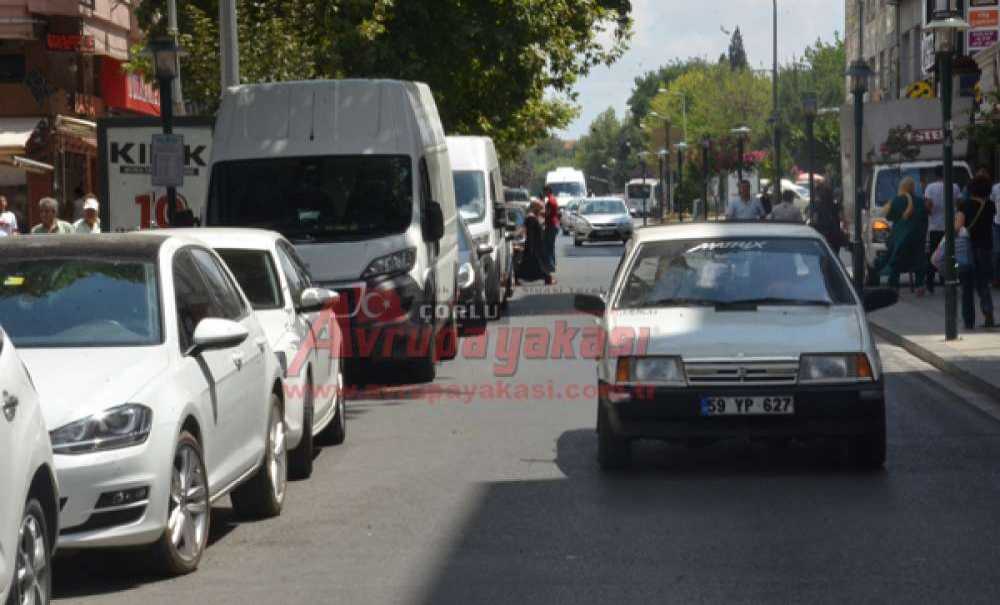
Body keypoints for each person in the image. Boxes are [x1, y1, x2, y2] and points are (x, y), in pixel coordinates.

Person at [874, 176, 928, 293]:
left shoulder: (896, 200)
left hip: (899, 237)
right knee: (919, 257)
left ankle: (893, 283)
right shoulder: (920, 201)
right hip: (917, 237)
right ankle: (919, 284)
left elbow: (889, 217)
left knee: (894, 255)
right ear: (913, 187)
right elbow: (924, 219)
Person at [956, 176, 995, 328]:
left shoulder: (964, 205)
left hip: (968, 249)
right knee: (983, 284)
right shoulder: (990, 205)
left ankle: (969, 320)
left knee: (966, 286)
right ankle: (988, 314)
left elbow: (958, 226)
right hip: (986, 248)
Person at [923, 166, 961, 294]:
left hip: (935, 226)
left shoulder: (930, 187)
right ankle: (948, 279)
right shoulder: (955, 187)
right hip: (950, 227)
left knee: (934, 255)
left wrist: (931, 211)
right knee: (950, 255)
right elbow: (958, 204)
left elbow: (928, 206)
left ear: (936, 175)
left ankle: (929, 281)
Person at [515, 200, 554, 285]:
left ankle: (516, 278)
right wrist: (531, 247)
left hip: (534, 246)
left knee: (528, 264)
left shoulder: (533, 217)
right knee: (536, 264)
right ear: (535, 208)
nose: (541, 212)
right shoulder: (531, 218)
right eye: (539, 209)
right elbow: (531, 234)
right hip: (533, 246)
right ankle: (547, 278)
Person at [810, 183, 846, 256]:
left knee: (823, 256)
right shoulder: (837, 206)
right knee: (835, 255)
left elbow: (815, 220)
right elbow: (842, 219)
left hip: (822, 235)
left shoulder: (817, 206)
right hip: (835, 235)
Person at [542, 186, 560, 270]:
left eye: (545, 191)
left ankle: (550, 265)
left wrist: (540, 213)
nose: (544, 193)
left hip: (551, 225)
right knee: (551, 246)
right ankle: (552, 263)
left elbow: (547, 214)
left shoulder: (550, 201)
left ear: (548, 191)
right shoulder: (553, 199)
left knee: (547, 246)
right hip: (554, 224)